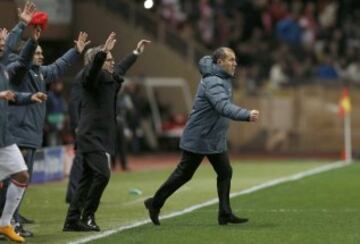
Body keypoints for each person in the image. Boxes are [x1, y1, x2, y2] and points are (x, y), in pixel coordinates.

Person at [144, 47, 260, 225]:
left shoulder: (220, 76)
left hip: (213, 137)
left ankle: (224, 213)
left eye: (235, 59)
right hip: (200, 136)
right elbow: (222, 106)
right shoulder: (213, 81)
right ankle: (155, 203)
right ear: (219, 63)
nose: (235, 63)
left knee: (225, 171)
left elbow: (207, 59)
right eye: (231, 59)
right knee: (184, 174)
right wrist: (246, 114)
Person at [2, 24, 90, 236]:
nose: (41, 57)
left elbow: (58, 67)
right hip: (19, 134)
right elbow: (21, 61)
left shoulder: (40, 74)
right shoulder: (18, 73)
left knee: (19, 181)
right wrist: (30, 42)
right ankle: (10, 222)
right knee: (15, 180)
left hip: (31, 136)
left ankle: (11, 220)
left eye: (42, 53)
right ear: (27, 53)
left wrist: (75, 52)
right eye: (37, 53)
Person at [63, 33, 151, 232]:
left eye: (111, 59)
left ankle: (72, 220)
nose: (112, 63)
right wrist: (102, 53)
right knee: (103, 174)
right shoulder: (90, 77)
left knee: (86, 179)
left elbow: (121, 67)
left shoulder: (109, 77)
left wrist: (136, 52)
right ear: (98, 61)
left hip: (99, 136)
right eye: (108, 60)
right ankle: (88, 215)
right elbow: (92, 71)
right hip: (90, 135)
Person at [0, 26, 47, 243]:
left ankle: (5, 224)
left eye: (4, 44)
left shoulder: (4, 69)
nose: (3, 46)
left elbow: (11, 93)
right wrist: (21, 25)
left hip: (4, 135)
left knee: (21, 175)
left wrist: (29, 97)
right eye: (1, 44)